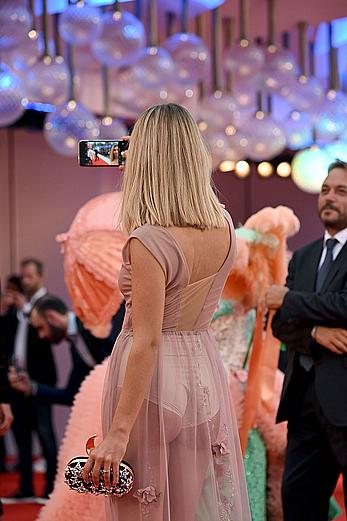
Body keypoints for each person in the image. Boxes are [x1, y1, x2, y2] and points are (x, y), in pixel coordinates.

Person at [82, 103, 251, 521]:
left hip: (152, 385)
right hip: (202, 378)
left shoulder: (148, 239)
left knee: (136, 512)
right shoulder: (225, 227)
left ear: (144, 159)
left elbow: (148, 339)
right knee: (191, 511)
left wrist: (117, 433)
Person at [266, 160, 347, 520]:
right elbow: (281, 325)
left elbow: (343, 304)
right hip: (303, 402)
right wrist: (315, 332)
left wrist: (287, 297)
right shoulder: (304, 254)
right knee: (298, 505)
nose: (330, 198)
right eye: (326, 190)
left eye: (342, 191)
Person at [9, 295, 125, 406]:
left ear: (52, 317)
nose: (41, 335)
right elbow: (71, 395)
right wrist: (31, 387)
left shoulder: (90, 318)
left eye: (41, 328)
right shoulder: (75, 349)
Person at [6, 259, 57, 500]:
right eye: (22, 277)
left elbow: (49, 331)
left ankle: (51, 488)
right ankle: (26, 486)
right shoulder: (20, 308)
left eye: (29, 277)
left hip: (40, 382)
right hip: (17, 382)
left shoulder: (47, 302)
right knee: (21, 436)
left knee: (46, 436)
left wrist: (25, 309)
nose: (25, 281)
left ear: (40, 277)